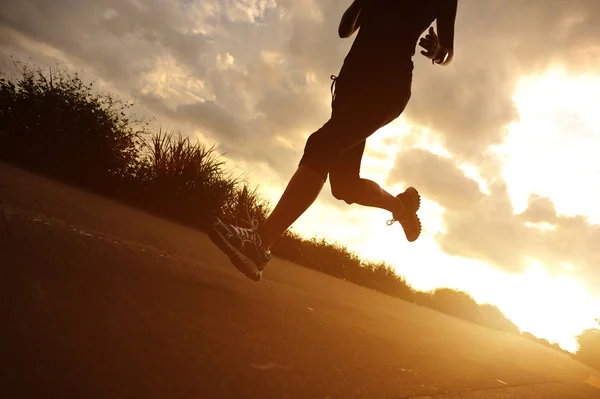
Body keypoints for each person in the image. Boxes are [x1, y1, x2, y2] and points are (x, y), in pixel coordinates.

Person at [209, 0, 458, 281]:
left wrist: (437, 51)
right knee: (345, 185)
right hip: (351, 84)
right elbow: (345, 29)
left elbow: (448, 51)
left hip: (388, 87)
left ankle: (260, 242)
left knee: (321, 145)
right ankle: (401, 207)